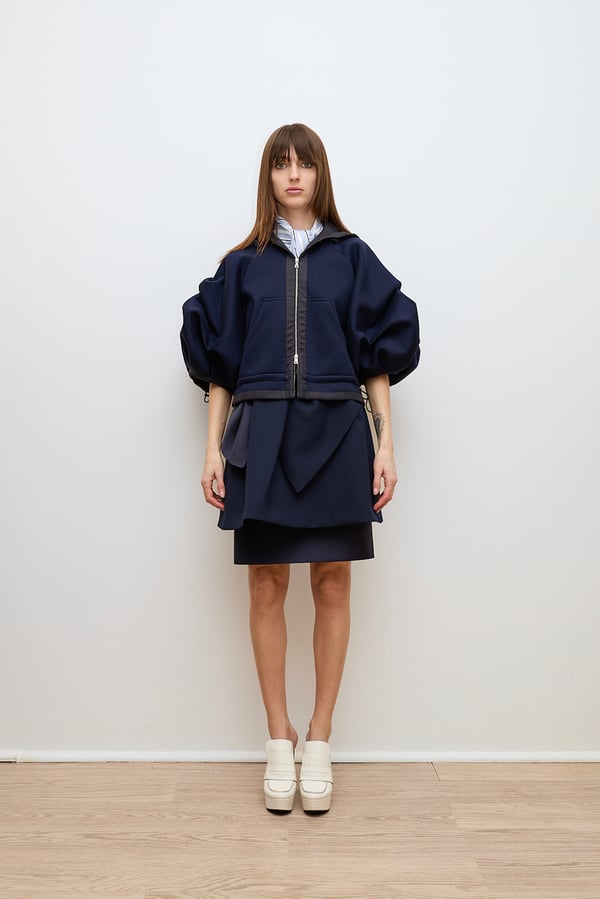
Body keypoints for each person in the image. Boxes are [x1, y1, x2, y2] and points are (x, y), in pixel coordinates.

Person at [180, 123, 420, 814]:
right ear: (268, 176)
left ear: (320, 173)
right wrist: (212, 450)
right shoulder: (242, 266)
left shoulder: (352, 257)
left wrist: (385, 445)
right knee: (265, 586)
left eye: (304, 163)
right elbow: (220, 369)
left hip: (338, 431)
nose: (293, 175)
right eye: (281, 164)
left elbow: (376, 359)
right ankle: (278, 737)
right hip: (260, 434)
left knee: (333, 582)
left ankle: (320, 736)